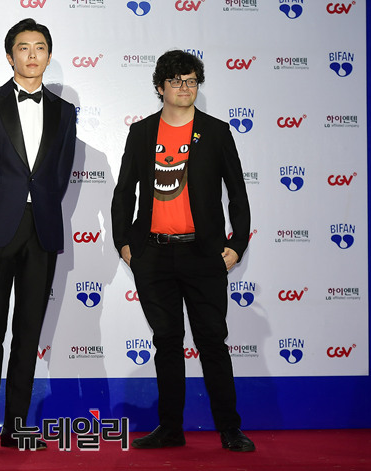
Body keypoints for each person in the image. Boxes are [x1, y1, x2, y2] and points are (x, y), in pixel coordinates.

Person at [111, 49, 255, 452]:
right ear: (160, 88)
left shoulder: (216, 131)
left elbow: (238, 193)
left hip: (203, 254)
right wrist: (124, 242)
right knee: (167, 342)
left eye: (191, 81)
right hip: (153, 255)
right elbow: (124, 192)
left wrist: (237, 244)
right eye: (176, 81)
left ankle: (230, 429)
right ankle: (170, 429)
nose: (184, 88)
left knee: (212, 341)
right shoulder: (142, 132)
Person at [0, 18, 76, 452]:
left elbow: (61, 173)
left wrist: (39, 206)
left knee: (28, 332)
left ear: (49, 55)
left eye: (40, 47)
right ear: (10, 56)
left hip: (42, 230)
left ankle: (16, 426)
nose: (32, 54)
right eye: (24, 47)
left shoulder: (64, 111)